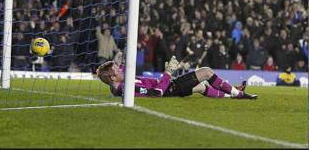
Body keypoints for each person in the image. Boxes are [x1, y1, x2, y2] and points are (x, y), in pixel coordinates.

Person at [93, 53, 258, 99]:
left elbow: (117, 73)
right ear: (113, 78)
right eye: (118, 70)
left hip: (170, 85)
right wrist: (168, 72)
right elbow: (156, 94)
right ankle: (240, 94)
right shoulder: (128, 88)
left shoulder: (118, 86)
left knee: (201, 87)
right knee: (207, 71)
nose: (122, 69)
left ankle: (233, 93)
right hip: (171, 88)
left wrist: (118, 60)